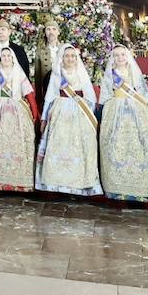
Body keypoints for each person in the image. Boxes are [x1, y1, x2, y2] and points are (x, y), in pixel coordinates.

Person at [97, 44, 148, 203]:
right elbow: (104, 97)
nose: (120, 58)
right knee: (114, 148)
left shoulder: (134, 72)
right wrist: (97, 120)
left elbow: (145, 95)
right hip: (115, 112)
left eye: (123, 55)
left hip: (137, 112)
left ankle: (143, 188)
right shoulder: (110, 75)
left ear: (128, 57)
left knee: (140, 147)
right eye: (117, 55)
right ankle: (116, 189)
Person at [35, 45, 101, 197]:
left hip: (79, 116)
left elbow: (90, 97)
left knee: (78, 148)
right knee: (58, 147)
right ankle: (57, 184)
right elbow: (49, 98)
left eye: (73, 56)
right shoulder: (57, 75)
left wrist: (91, 117)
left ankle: (78, 184)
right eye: (67, 56)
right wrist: (44, 119)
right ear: (62, 58)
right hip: (59, 116)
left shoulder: (81, 74)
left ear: (76, 59)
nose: (70, 59)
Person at [0, 45, 37, 193]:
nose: (6, 58)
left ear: (13, 58)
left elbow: (28, 93)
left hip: (17, 110)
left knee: (18, 141)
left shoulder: (18, 73)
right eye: (3, 56)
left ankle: (17, 181)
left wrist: (34, 111)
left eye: (9, 56)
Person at [0, 18, 31, 94]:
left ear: (9, 32)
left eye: (3, 29)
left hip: (15, 91)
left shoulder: (19, 50)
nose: (0, 32)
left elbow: (25, 71)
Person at [37, 19, 70, 95]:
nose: (51, 32)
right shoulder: (40, 51)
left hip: (64, 90)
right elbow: (38, 77)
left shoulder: (65, 49)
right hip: (47, 89)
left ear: (58, 32)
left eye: (54, 29)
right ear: (45, 32)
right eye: (48, 29)